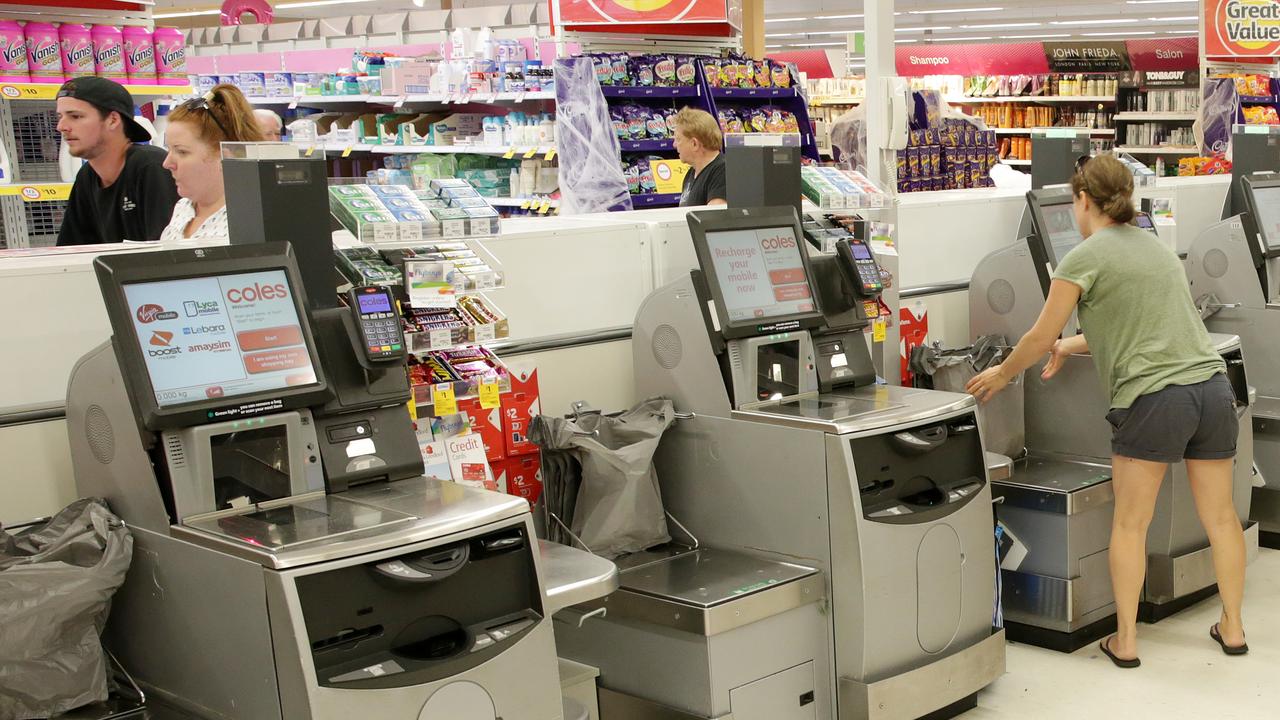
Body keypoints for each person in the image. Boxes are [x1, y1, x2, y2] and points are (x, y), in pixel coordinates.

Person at [966, 154, 1248, 668]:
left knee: (1131, 524)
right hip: (1210, 388)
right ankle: (1232, 627)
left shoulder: (1083, 256)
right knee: (1223, 518)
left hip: (1157, 400)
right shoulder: (1156, 249)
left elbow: (1037, 335)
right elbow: (1143, 326)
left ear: (1082, 200)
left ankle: (1126, 641)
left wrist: (1002, 374)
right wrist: (1070, 348)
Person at [55, 77, 179, 245]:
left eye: (75, 116)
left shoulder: (151, 167)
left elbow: (167, 256)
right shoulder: (87, 176)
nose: (61, 126)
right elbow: (70, 251)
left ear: (113, 120)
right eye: (60, 116)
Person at [158, 85, 264, 243]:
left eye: (181, 152)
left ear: (224, 156)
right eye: (168, 149)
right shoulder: (183, 208)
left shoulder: (247, 219)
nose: (167, 163)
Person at [673, 108, 726, 207]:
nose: (674, 145)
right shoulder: (691, 173)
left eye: (678, 139)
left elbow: (715, 217)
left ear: (694, 144)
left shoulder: (722, 171)